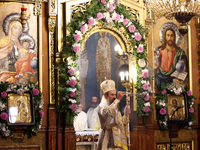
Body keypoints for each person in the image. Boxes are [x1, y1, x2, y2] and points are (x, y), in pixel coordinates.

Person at [97, 80, 131, 150]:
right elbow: (107, 112)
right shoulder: (101, 107)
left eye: (115, 95)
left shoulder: (114, 106)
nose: (114, 97)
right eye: (112, 95)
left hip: (118, 139)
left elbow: (119, 122)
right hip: (108, 138)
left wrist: (125, 115)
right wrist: (118, 100)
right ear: (105, 96)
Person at [154, 23, 188, 89]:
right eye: (168, 35)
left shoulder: (179, 52)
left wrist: (182, 64)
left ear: (175, 37)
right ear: (165, 37)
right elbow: (154, 67)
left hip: (174, 81)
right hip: (161, 80)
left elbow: (185, 69)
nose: (170, 38)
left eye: (172, 36)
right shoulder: (159, 51)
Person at [96, 31, 111, 98]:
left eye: (104, 32)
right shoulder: (99, 41)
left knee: (107, 79)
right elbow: (98, 52)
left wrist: (106, 58)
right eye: (101, 32)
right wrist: (101, 57)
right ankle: (101, 96)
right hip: (101, 62)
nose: (102, 33)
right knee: (101, 80)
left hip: (107, 61)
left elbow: (109, 50)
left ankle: (108, 96)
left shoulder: (107, 40)